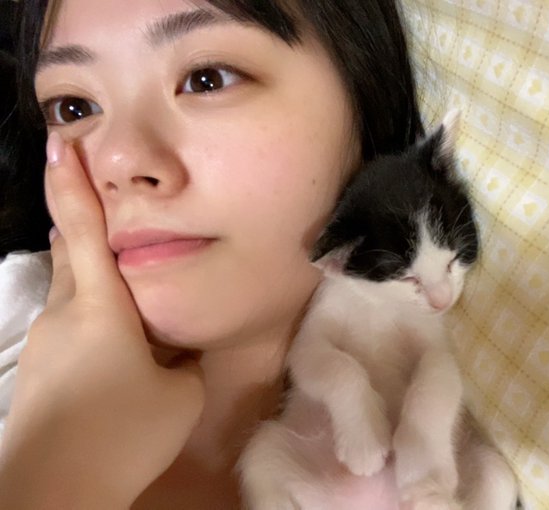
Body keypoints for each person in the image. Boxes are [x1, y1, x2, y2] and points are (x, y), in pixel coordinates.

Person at [0, 0, 423, 508]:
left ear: (368, 102)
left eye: (207, 80)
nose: (119, 160)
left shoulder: (444, 459)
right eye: (74, 108)